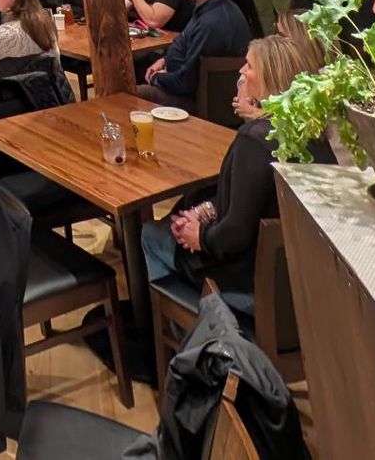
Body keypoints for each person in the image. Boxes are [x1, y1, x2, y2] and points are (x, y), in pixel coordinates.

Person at [141, 35, 330, 313]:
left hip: (254, 287)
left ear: (269, 77)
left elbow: (235, 235)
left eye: (249, 66)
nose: (241, 71)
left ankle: (198, 331)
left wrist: (200, 237)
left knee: (151, 234)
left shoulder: (255, 140)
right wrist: (205, 212)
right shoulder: (314, 132)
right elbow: (253, 200)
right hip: (305, 282)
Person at [140, 0, 252, 102]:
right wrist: (165, 60)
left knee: (129, 97)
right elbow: (184, 42)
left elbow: (186, 82)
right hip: (179, 81)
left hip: (196, 101)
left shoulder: (213, 22)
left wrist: (157, 78)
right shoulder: (209, 7)